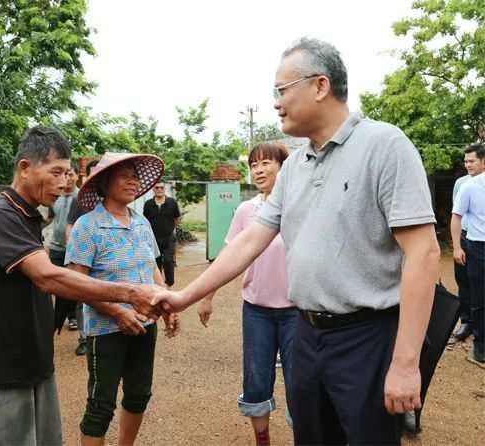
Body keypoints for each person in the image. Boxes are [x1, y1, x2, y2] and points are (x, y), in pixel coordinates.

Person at [154, 37, 440, 445]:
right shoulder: (296, 166)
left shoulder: (385, 146)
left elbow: (424, 253)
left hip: (367, 339)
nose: (276, 102)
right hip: (306, 336)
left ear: (320, 86)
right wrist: (184, 295)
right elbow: (250, 240)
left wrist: (406, 364)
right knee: (311, 436)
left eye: (282, 90)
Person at [0, 127, 161, 446]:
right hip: (3, 366)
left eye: (67, 173)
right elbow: (49, 277)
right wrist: (130, 294)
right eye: (55, 172)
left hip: (32, 359)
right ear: (25, 168)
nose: (64, 183)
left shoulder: (27, 217)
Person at [65, 152, 180, 446]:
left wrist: (168, 303)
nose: (133, 181)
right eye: (124, 175)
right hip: (105, 331)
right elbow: (77, 284)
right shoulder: (87, 226)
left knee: (139, 394)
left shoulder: (141, 223)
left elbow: (152, 268)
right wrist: (117, 312)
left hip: (145, 324)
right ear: (104, 182)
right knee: (101, 404)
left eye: (135, 175)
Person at [197, 142, 295, 446]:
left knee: (302, 383)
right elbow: (229, 255)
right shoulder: (246, 210)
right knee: (256, 380)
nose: (259, 170)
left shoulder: (300, 205)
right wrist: (207, 295)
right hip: (257, 311)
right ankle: (262, 439)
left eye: (266, 163)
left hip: (298, 311)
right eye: (254, 165)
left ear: (284, 166)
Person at [451, 143, 485, 366]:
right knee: (478, 296)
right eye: (466, 161)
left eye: (471, 160)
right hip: (476, 246)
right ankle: (480, 347)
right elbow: (456, 216)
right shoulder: (468, 186)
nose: (467, 165)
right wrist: (457, 247)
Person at [65, 159, 99, 356]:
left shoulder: (111, 199)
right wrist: (73, 250)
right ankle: (84, 338)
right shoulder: (81, 199)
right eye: (92, 173)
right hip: (84, 257)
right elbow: (70, 225)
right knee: (82, 297)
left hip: (104, 257)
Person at [45, 163, 79, 331]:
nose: (68, 178)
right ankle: (58, 317)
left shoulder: (81, 197)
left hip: (74, 250)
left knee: (72, 284)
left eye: (70, 174)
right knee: (57, 284)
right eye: (65, 174)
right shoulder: (55, 196)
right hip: (56, 248)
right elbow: (50, 217)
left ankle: (72, 316)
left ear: (77, 176)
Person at [143, 180, 181, 288]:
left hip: (168, 237)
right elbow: (145, 220)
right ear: (153, 190)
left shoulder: (172, 202)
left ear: (165, 189)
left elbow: (176, 218)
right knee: (156, 262)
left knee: (169, 261)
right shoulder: (148, 204)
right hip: (154, 238)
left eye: (161, 188)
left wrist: (171, 229)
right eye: (156, 188)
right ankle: (158, 286)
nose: (159, 189)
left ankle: (169, 284)